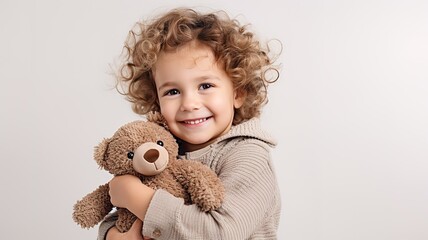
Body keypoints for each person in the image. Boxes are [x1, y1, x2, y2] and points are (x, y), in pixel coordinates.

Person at [98, 7, 281, 240]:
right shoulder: (160, 151)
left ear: (238, 92)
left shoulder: (248, 155)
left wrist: (139, 198)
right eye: (173, 91)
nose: (189, 103)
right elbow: (123, 216)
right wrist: (111, 235)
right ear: (156, 99)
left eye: (205, 86)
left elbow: (222, 232)